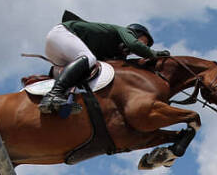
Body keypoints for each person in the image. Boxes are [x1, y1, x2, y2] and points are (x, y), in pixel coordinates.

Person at [38, 12, 170, 114]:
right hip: (63, 34)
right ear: (135, 33)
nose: (143, 46)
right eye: (143, 42)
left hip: (58, 51)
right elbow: (134, 44)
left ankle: (61, 98)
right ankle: (54, 95)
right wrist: (154, 54)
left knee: (84, 71)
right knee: (89, 59)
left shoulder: (111, 51)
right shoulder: (124, 31)